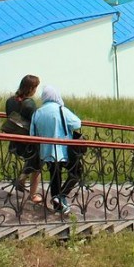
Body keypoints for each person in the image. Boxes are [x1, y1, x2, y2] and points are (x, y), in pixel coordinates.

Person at [30, 86, 83, 215]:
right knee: (77, 172)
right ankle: (61, 196)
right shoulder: (61, 109)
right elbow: (77, 123)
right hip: (62, 150)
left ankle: (58, 205)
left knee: (55, 177)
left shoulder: (38, 112)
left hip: (47, 151)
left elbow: (33, 133)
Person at [6, 75, 43, 205]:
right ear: (31, 88)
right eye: (35, 87)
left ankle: (22, 177)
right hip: (28, 143)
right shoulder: (29, 103)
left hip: (15, 141)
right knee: (38, 163)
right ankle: (32, 194)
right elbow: (36, 122)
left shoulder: (10, 101)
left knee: (34, 159)